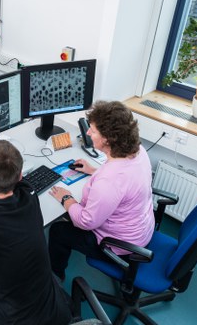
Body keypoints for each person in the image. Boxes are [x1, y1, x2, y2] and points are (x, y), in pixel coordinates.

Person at [0, 111, 72, 325]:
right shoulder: (29, 195)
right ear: (20, 177)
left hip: (9, 321)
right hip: (55, 314)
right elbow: (13, 164)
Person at [48, 101, 155, 281]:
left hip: (120, 247)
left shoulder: (109, 180)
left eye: (93, 130)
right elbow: (123, 183)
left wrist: (66, 198)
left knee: (58, 230)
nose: (88, 133)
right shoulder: (138, 151)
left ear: (107, 139)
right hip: (141, 229)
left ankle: (54, 277)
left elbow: (86, 222)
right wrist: (93, 171)